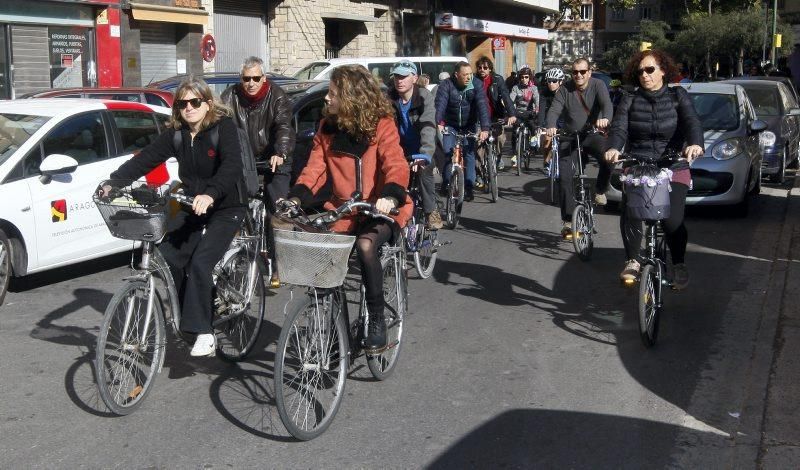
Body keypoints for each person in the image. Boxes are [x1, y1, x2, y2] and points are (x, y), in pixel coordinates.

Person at [108, 78, 246, 357]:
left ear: (208, 104)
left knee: (200, 262)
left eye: (195, 102)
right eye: (182, 103)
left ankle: (205, 332)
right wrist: (115, 182)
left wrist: (211, 193)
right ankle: (190, 315)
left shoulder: (224, 128)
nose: (189, 108)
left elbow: (232, 165)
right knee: (168, 255)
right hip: (190, 204)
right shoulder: (178, 134)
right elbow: (146, 158)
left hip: (225, 206)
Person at [286, 65, 412, 351]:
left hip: (380, 207)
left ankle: (377, 318)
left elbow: (395, 163)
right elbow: (314, 169)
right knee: (326, 261)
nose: (327, 99)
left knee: (367, 246)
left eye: (332, 93)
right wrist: (296, 197)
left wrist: (390, 196)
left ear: (351, 96)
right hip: (344, 210)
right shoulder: (326, 128)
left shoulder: (381, 124)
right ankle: (335, 334)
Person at [604, 49, 703, 289]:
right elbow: (619, 128)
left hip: (673, 164)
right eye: (640, 72)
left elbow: (692, 121)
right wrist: (614, 148)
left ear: (663, 71)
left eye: (650, 70)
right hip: (638, 163)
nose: (644, 75)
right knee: (631, 212)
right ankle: (632, 261)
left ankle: (678, 263)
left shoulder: (678, 95)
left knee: (672, 221)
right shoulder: (630, 99)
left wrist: (695, 143)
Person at [220, 56, 295, 286]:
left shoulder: (278, 97)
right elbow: (219, 120)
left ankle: (279, 263)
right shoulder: (230, 96)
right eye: (246, 78)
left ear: (264, 78)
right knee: (231, 203)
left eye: (255, 78)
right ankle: (232, 255)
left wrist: (280, 152)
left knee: (278, 208)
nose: (251, 83)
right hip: (246, 160)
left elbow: (284, 126)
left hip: (275, 158)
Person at [545, 57, 613, 238]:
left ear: (589, 72)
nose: (579, 75)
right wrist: (551, 125)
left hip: (591, 135)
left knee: (608, 156)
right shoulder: (564, 90)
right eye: (575, 72)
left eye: (583, 71)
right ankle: (568, 221)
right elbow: (554, 110)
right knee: (564, 177)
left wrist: (605, 117)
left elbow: (607, 104)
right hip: (569, 137)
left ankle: (600, 189)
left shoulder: (598, 85)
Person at [388, 59, 442, 229]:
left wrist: (424, 154)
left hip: (422, 149)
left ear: (414, 78)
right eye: (397, 76)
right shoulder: (388, 98)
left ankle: (430, 211)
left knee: (424, 171)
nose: (399, 80)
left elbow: (428, 126)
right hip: (399, 151)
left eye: (404, 76)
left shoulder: (424, 96)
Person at [435, 61, 491, 202]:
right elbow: (440, 104)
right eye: (465, 75)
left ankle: (469, 187)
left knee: (469, 154)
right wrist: (438, 122)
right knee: (448, 153)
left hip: (469, 125)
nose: (468, 77)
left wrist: (485, 128)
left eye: (470, 74)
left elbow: (482, 105)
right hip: (451, 124)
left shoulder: (476, 84)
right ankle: (447, 182)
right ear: (456, 75)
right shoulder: (446, 85)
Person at [474, 56, 517, 171]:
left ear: (490, 69)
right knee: (479, 143)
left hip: (496, 115)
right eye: (479, 67)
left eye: (485, 67)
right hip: (479, 116)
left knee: (500, 138)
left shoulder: (497, 79)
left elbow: (506, 97)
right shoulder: (473, 80)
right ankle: (479, 172)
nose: (482, 69)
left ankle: (498, 156)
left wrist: (512, 114)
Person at [509, 66, 539, 168]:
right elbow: (510, 99)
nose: (524, 79)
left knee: (532, 125)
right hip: (518, 112)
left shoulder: (534, 88)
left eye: (526, 77)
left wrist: (537, 109)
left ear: (530, 77)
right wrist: (508, 107)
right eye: (522, 77)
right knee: (514, 131)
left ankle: (533, 140)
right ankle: (514, 154)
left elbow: (537, 100)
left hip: (529, 112)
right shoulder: (515, 88)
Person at [538, 67, 565, 176]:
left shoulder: (566, 91)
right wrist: (541, 125)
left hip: (564, 120)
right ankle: (547, 162)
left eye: (554, 81)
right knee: (546, 143)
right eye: (549, 81)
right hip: (550, 120)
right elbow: (542, 110)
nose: (551, 83)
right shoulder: (544, 92)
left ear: (561, 82)